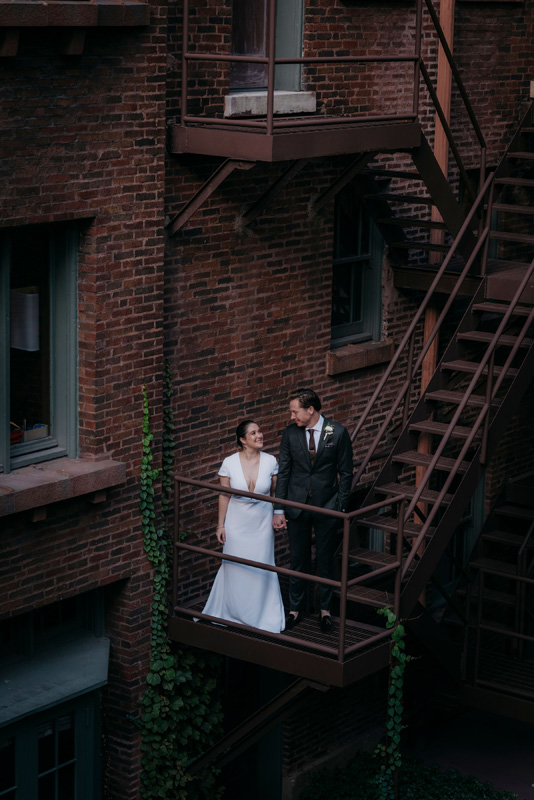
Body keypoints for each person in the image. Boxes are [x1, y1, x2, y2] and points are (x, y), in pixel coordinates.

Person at [273, 388, 353, 633]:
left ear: (311, 409)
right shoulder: (289, 434)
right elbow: (284, 471)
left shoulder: (337, 433)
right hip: (297, 506)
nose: (292, 416)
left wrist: (339, 505)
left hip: (327, 507)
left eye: (295, 411)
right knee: (298, 559)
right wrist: (279, 508)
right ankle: (295, 609)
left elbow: (346, 472)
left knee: (325, 560)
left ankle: (325, 610)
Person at [201, 420, 285, 633]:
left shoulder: (270, 461)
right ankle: (232, 613)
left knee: (261, 565)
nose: (260, 435)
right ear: (242, 439)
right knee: (236, 566)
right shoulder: (229, 463)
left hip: (261, 523)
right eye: (254, 433)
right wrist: (221, 525)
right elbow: (224, 495)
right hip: (237, 523)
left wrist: (278, 512)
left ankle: (262, 615)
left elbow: (276, 492)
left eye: (260, 431)